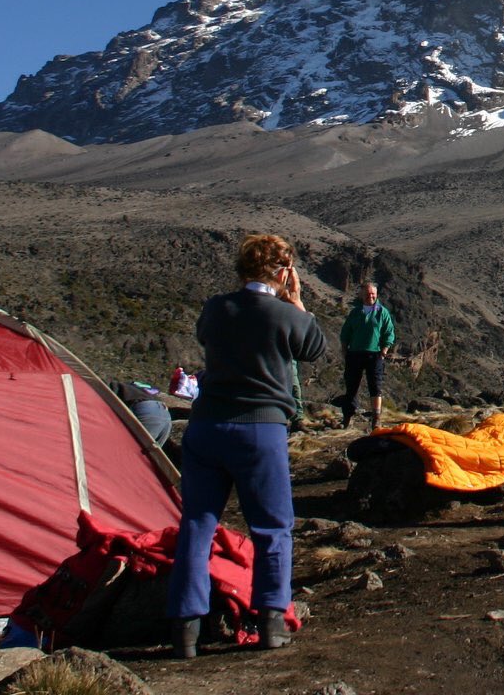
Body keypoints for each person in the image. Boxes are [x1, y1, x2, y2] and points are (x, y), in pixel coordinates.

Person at [166, 233, 326, 660]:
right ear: (284, 272)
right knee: (272, 526)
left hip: (205, 427)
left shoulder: (217, 308)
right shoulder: (283, 314)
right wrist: (297, 301)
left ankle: (185, 627)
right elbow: (314, 347)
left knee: (197, 524)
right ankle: (271, 619)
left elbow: (206, 337)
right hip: (260, 430)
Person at [338, 280, 397, 430]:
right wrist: (344, 350)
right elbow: (345, 332)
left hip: (374, 355)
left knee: (375, 386)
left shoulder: (382, 312)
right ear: (361, 294)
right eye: (368, 293)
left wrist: (384, 350)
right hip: (355, 354)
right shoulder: (355, 312)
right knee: (351, 387)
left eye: (373, 294)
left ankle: (376, 419)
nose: (370, 296)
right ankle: (347, 417)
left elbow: (389, 332)